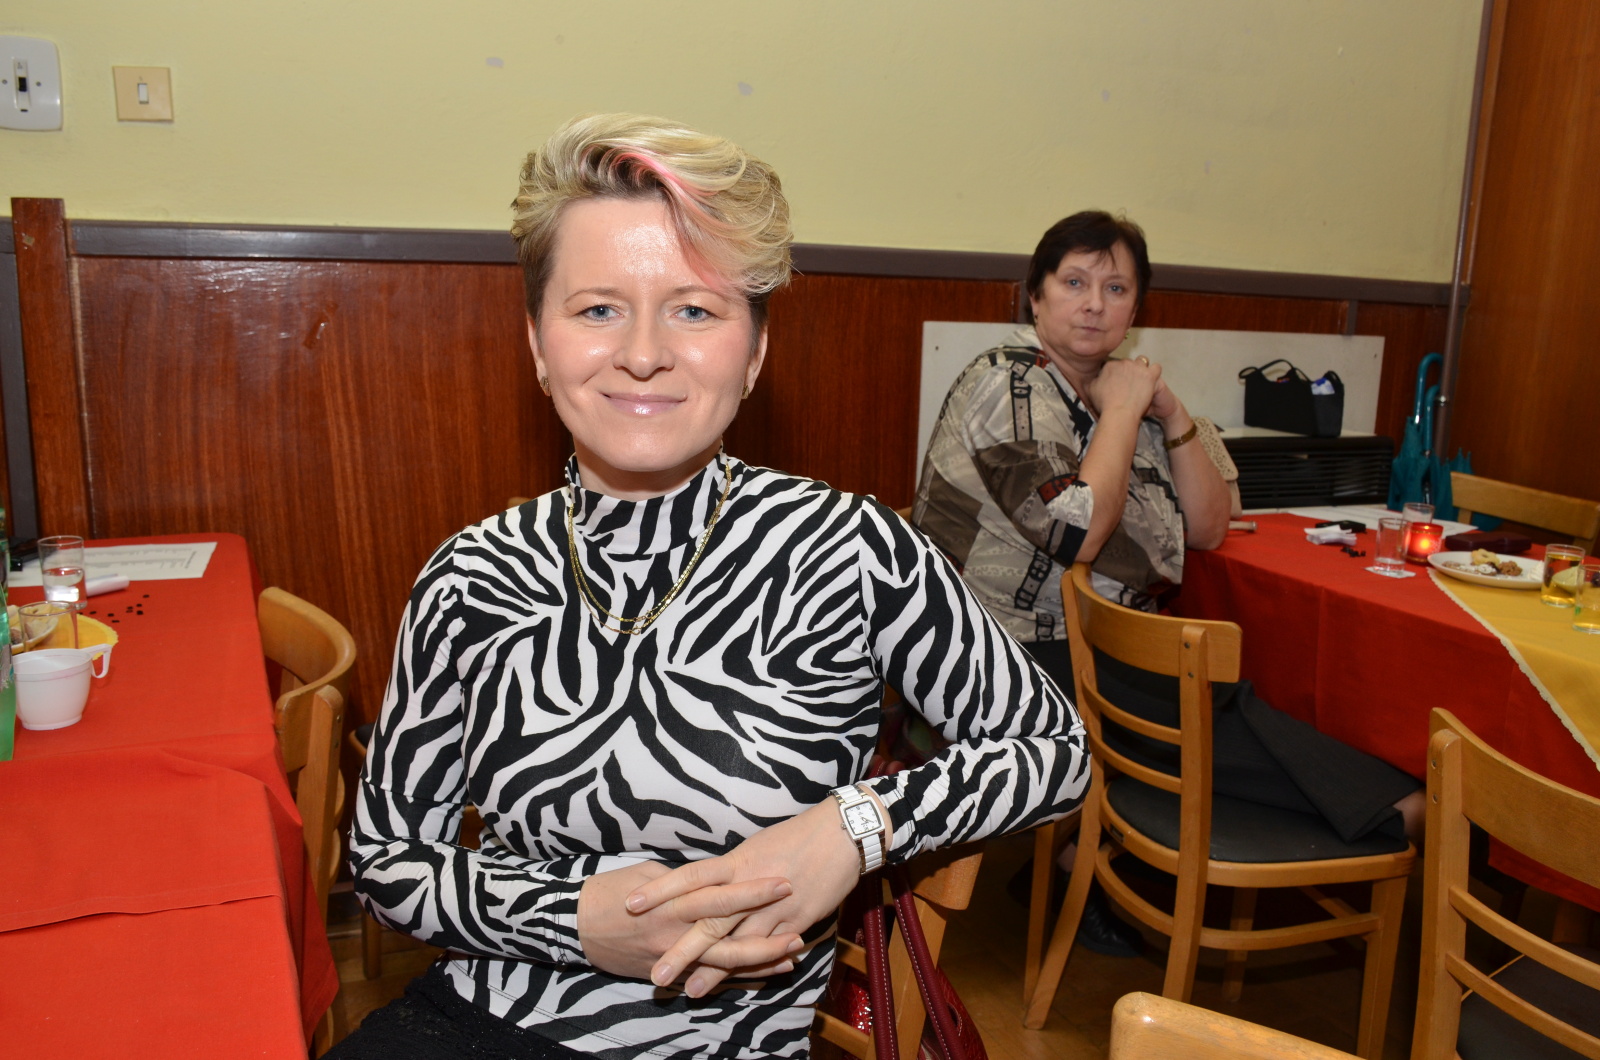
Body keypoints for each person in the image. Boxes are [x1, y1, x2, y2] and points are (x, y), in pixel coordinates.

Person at [332, 114, 1089, 1060]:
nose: (644, 352)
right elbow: (387, 861)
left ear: (755, 352)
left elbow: (1055, 751)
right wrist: (575, 918)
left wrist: (854, 826)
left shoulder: (848, 550)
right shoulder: (472, 576)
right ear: (537, 344)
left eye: (694, 310)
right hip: (477, 1023)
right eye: (597, 309)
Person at [913, 211, 1423, 948]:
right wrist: (1122, 410)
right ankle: (1377, 812)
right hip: (996, 650)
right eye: (1074, 283)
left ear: (1137, 309)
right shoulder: (1007, 381)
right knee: (1212, 709)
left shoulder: (1123, 388)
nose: (1095, 304)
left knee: (1225, 698)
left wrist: (1170, 411)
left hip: (1100, 645)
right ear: (1035, 295)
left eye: (1116, 288)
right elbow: (1079, 531)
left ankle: (1094, 862)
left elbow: (1212, 523)